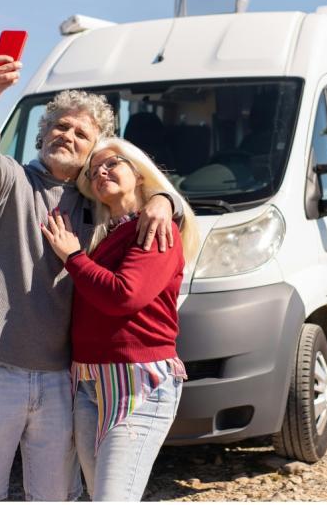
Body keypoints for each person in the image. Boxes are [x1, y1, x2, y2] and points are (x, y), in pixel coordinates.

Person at [0, 55, 183, 501]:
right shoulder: (8, 183)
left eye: (81, 134)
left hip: (63, 378)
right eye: (60, 126)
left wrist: (163, 200)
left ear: (92, 153)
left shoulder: (95, 206)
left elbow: (136, 195)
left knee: (57, 496)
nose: (68, 136)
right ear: (42, 134)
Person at [40, 137, 200, 501]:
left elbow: (124, 296)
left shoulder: (155, 228)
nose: (101, 172)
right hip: (89, 381)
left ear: (139, 173)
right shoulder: (104, 236)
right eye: (93, 171)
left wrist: (73, 258)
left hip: (137, 382)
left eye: (111, 163)